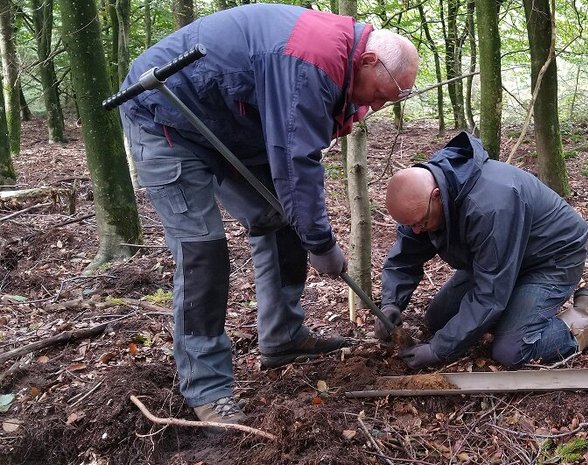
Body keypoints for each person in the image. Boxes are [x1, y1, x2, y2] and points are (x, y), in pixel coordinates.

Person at [118, 4, 419, 425]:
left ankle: (283, 337)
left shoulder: (340, 61)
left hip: (227, 123)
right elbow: (296, 161)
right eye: (380, 95)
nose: (378, 106)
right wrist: (322, 244)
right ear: (368, 61)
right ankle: (207, 388)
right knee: (203, 252)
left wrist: (310, 232)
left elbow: (300, 147)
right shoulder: (309, 61)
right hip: (164, 115)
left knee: (281, 220)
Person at [374, 132, 588, 370]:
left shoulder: (491, 204)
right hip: (500, 257)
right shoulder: (423, 203)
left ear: (436, 195)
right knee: (437, 319)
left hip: (551, 257)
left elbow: (490, 294)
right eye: (411, 225)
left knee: (511, 350)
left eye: (421, 222)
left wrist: (437, 351)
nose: (418, 230)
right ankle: (517, 309)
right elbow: (405, 256)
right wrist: (391, 302)